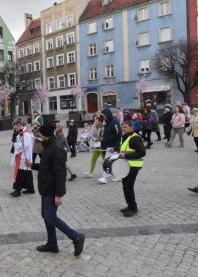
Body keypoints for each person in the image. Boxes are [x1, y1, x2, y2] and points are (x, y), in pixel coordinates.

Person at [31, 123, 85, 256]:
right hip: (45, 188)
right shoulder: (48, 146)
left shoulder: (55, 149)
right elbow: (46, 167)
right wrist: (32, 165)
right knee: (46, 216)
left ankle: (76, 237)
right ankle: (52, 243)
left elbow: (61, 174)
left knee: (50, 216)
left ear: (46, 135)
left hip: (52, 189)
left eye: (40, 134)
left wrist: (59, 194)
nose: (38, 135)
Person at [118, 119, 146, 217]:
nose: (123, 129)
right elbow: (124, 149)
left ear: (131, 128)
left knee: (129, 187)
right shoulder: (125, 137)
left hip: (133, 166)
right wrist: (115, 149)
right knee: (126, 187)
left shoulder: (135, 138)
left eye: (125, 127)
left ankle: (133, 208)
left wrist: (125, 156)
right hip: (125, 166)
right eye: (122, 127)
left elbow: (142, 152)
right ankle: (130, 205)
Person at [10, 119, 35, 197]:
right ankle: (31, 188)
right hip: (23, 156)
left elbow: (26, 145)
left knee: (20, 174)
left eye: (15, 128)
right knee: (27, 172)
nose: (15, 130)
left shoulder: (25, 134)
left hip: (24, 157)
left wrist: (16, 145)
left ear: (19, 125)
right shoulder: (21, 133)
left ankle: (18, 190)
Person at [98, 108, 122, 184]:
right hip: (109, 145)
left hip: (113, 145)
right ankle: (118, 176)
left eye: (104, 115)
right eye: (102, 115)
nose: (103, 117)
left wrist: (111, 142)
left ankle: (105, 177)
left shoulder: (114, 122)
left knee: (108, 162)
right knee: (113, 162)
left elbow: (118, 134)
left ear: (107, 115)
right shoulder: (107, 122)